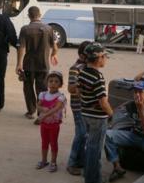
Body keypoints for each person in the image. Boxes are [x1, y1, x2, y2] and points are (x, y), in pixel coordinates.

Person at [104, 81, 144, 182]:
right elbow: (116, 112)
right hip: (132, 135)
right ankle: (117, 167)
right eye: (135, 92)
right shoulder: (131, 104)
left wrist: (141, 110)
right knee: (107, 134)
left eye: (140, 92)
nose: (137, 95)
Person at [78, 42, 113, 183]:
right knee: (95, 150)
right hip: (97, 118)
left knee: (90, 146)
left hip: (85, 114)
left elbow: (78, 91)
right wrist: (112, 114)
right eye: (105, 56)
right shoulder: (98, 77)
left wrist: (87, 103)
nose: (106, 59)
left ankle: (88, 175)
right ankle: (93, 179)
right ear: (98, 58)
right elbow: (103, 103)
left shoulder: (83, 72)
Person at [16, 6, 58, 124]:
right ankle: (42, 114)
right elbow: (54, 47)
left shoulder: (25, 29)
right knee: (42, 90)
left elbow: (21, 48)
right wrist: (53, 55)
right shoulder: (49, 29)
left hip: (28, 64)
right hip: (43, 65)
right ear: (40, 15)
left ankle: (30, 111)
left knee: (28, 88)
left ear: (29, 16)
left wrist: (19, 64)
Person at [66, 40, 91, 176]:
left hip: (86, 107)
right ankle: (72, 162)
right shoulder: (75, 68)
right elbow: (71, 89)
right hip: (78, 106)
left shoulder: (87, 67)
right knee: (81, 134)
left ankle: (80, 160)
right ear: (82, 55)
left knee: (85, 135)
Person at [36, 71, 66, 173]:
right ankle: (44, 160)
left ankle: (53, 162)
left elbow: (56, 109)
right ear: (47, 83)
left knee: (53, 143)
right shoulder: (43, 94)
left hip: (54, 125)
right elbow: (38, 105)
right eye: (51, 81)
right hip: (44, 124)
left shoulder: (61, 97)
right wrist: (41, 109)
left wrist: (44, 114)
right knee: (44, 142)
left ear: (60, 84)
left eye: (56, 81)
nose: (53, 83)